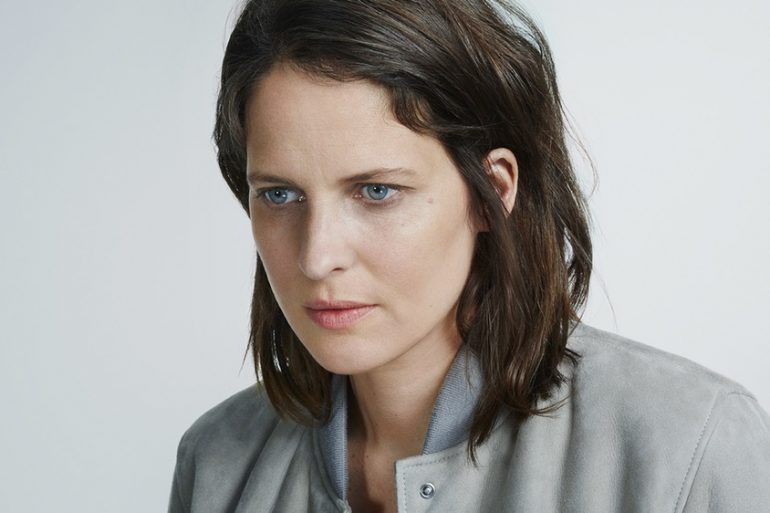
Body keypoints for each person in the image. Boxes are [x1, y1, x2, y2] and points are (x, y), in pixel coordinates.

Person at [167, 1, 770, 512]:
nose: (316, 256)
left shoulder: (689, 446)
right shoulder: (217, 463)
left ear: (491, 193)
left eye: (377, 191)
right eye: (280, 195)